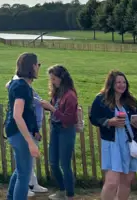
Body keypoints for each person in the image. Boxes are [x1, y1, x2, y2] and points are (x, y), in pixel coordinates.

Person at [89, 70, 137, 200]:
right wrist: (109, 122)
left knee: (127, 180)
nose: (121, 85)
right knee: (112, 181)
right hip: (112, 143)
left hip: (129, 144)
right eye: (118, 82)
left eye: (124, 82)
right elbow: (94, 118)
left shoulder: (130, 100)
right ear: (111, 84)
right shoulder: (101, 99)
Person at [5, 53, 42, 200]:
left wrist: (34, 131)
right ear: (32, 66)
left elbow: (8, 85)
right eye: (38, 65)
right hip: (19, 134)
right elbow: (17, 115)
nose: (39, 68)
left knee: (20, 170)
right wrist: (30, 142)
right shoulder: (22, 86)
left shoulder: (19, 84)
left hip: (17, 132)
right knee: (24, 175)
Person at [40, 65, 78, 200]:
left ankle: (70, 194)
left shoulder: (70, 95)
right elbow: (55, 110)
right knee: (53, 163)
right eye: (51, 79)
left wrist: (51, 108)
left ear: (62, 78)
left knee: (64, 164)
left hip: (66, 130)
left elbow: (68, 119)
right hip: (55, 129)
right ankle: (62, 190)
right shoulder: (57, 92)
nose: (52, 82)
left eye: (54, 79)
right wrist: (47, 107)